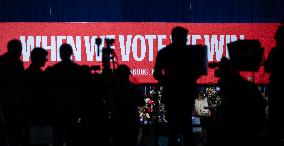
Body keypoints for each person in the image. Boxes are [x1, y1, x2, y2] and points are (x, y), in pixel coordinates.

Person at [153, 26, 203, 146]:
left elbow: (157, 74)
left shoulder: (164, 52)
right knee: (187, 129)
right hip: (186, 94)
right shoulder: (191, 53)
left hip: (171, 95)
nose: (186, 40)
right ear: (178, 37)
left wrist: (169, 80)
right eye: (185, 38)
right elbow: (199, 71)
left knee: (173, 130)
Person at [0, 39, 24, 146]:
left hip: (12, 101)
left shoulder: (7, 61)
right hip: (8, 101)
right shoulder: (14, 63)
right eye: (19, 49)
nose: (20, 52)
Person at [264, 24, 284, 146]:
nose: (275, 40)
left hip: (276, 90)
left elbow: (267, 67)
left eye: (277, 38)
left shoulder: (275, 52)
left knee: (274, 122)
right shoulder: (275, 52)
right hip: (276, 90)